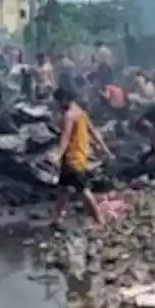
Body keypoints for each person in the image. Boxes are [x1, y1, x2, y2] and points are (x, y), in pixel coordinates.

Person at [50, 88, 112, 227]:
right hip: (77, 156)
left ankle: (99, 220)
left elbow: (65, 138)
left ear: (64, 99)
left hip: (73, 158)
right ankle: (56, 219)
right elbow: (93, 131)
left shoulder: (69, 115)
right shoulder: (81, 112)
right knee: (63, 189)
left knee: (83, 190)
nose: (57, 104)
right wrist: (104, 148)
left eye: (58, 101)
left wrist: (57, 155)